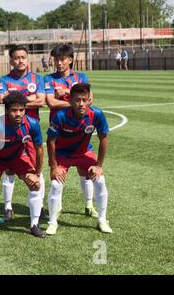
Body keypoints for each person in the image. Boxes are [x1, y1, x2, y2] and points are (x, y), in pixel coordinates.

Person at [46, 83, 112, 235]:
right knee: (56, 184)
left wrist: (99, 165)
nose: (81, 104)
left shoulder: (97, 114)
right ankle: (52, 222)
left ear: (89, 100)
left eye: (84, 100)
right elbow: (50, 141)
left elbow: (103, 139)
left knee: (100, 180)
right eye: (77, 100)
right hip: (63, 154)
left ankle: (102, 220)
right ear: (70, 100)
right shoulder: (60, 115)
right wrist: (54, 166)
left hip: (84, 153)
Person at [44, 44, 98, 218]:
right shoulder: (48, 78)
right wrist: (75, 102)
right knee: (58, 170)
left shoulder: (81, 76)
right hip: (59, 129)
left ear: (70, 60)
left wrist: (66, 92)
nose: (58, 63)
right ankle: (57, 207)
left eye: (62, 59)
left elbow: (90, 99)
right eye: (56, 60)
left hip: (80, 129)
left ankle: (89, 205)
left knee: (85, 170)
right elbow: (51, 102)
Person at [0, 91, 46, 240]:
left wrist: (37, 173)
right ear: (6, 110)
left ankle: (34, 225)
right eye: (13, 110)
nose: (18, 114)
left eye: (21, 110)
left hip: (18, 157)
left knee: (36, 185)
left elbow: (39, 150)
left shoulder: (32, 124)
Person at [0, 45, 46, 223]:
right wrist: (27, 97)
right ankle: (8, 207)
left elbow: (42, 101)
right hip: (10, 131)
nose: (20, 60)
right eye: (16, 57)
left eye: (23, 57)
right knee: (9, 170)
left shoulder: (37, 78)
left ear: (28, 58)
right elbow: (2, 100)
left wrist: (15, 98)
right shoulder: (4, 79)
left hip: (31, 131)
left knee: (35, 169)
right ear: (11, 60)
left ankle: (39, 207)